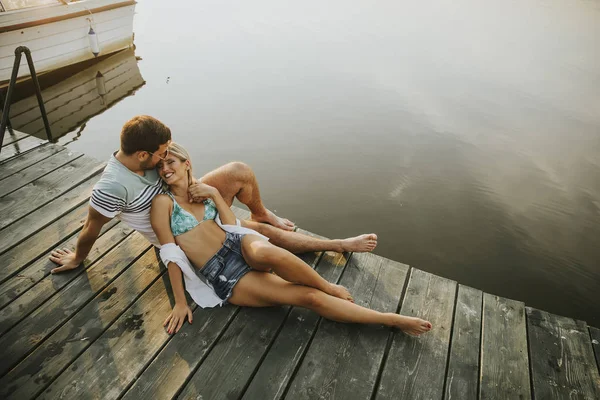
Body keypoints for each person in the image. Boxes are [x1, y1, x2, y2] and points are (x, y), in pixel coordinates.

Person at [151, 142, 433, 336]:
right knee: (309, 297)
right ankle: (391, 320)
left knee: (267, 253)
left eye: (170, 162)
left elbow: (231, 224)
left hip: (237, 242)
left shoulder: (205, 189)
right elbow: (171, 253)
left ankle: (329, 286)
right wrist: (179, 300)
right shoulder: (163, 203)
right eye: (160, 167)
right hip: (224, 272)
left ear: (186, 163)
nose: (165, 169)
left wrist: (213, 195)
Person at [49, 115, 378, 273]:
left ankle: (260, 211)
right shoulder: (112, 187)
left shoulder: (140, 154)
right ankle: (337, 245)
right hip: (178, 226)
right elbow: (92, 226)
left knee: (238, 171)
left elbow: (172, 165)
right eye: (161, 152)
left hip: (184, 198)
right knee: (258, 233)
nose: (165, 155)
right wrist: (78, 258)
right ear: (142, 156)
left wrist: (191, 179)